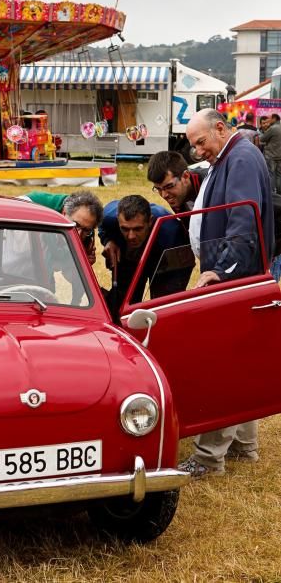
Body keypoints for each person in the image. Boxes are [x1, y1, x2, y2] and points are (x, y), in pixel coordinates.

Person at [179, 108, 273, 478]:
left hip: (234, 277)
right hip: (238, 274)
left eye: (200, 142)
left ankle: (207, 458)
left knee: (220, 365)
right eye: (193, 145)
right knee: (240, 362)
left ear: (221, 128)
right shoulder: (234, 155)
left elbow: (243, 219)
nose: (198, 151)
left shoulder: (242, 158)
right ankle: (242, 446)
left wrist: (221, 270)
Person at [98, 194, 192, 319]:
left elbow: (181, 270)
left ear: (150, 221)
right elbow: (102, 227)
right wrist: (108, 240)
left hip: (167, 257)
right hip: (129, 257)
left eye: (138, 229)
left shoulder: (172, 230)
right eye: (125, 229)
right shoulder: (108, 217)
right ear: (117, 220)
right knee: (122, 304)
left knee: (163, 308)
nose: (131, 236)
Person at [20, 191, 103, 265]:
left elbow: (71, 276)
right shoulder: (31, 204)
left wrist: (83, 265)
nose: (79, 234)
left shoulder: (87, 231)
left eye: (86, 230)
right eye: (75, 224)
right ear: (64, 213)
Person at [147, 151, 208, 220]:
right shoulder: (176, 196)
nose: (164, 195)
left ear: (185, 176)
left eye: (169, 186)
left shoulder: (211, 183)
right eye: (158, 189)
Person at [260, 113, 281, 194]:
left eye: (270, 118)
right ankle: (279, 194)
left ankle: (271, 195)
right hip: (279, 156)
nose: (269, 120)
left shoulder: (273, 128)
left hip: (271, 156)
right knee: (279, 176)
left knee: (271, 175)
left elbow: (262, 139)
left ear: (274, 118)